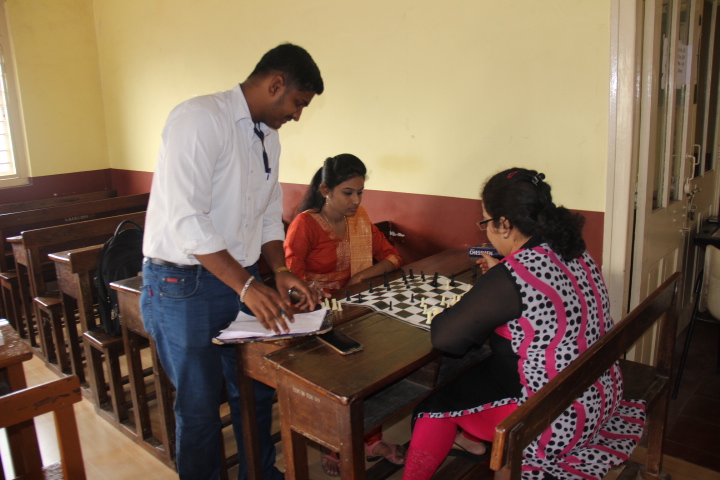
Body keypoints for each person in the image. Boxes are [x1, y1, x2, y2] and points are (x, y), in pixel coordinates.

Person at [140, 43, 324, 480]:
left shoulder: (268, 136)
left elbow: (267, 214)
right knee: (200, 407)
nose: (298, 115)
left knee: (255, 392)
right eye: (298, 103)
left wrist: (280, 270)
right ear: (275, 84)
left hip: (242, 278)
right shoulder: (199, 119)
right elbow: (188, 220)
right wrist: (246, 285)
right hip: (184, 285)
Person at [402, 168, 645, 480]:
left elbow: (446, 337)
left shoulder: (513, 275)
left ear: (505, 225)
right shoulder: (571, 249)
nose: (486, 232)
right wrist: (502, 277)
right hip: (599, 394)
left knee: (433, 404)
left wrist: (497, 282)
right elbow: (546, 296)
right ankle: (472, 443)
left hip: (552, 419)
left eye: (486, 222)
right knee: (474, 378)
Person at [284, 154, 405, 476]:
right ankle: (333, 444)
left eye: (360, 192)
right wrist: (314, 296)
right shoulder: (305, 225)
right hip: (314, 313)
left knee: (370, 370)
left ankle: (371, 439)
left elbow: (392, 256)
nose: (356, 201)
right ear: (326, 190)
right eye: (348, 193)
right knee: (335, 380)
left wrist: (360, 277)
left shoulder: (359, 218)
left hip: (353, 307)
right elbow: (291, 281)